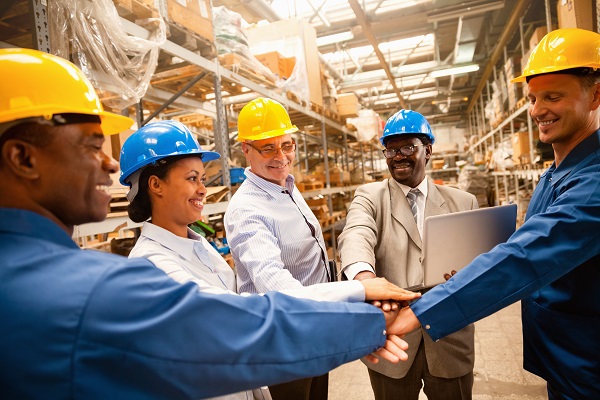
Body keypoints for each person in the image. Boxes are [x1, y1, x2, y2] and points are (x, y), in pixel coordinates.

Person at [0, 47, 413, 399]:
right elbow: (238, 325)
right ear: (23, 158)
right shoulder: (100, 284)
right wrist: (365, 312)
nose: (109, 162)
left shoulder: (200, 245)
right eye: (93, 145)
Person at [119, 120, 422, 400]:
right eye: (192, 179)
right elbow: (244, 313)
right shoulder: (154, 265)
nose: (203, 189)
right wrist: (357, 302)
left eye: (202, 178)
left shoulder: (200, 246)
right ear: (155, 185)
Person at [391, 28, 600, 400]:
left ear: (596, 94)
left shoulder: (594, 184)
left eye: (553, 97)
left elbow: (526, 258)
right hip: (564, 359)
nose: (537, 110)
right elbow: (527, 243)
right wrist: (473, 263)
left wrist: (420, 312)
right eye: (533, 98)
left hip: (587, 363)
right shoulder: (559, 170)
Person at [337, 109, 477, 400]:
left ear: (427, 150)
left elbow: (479, 264)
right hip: (393, 340)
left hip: (449, 337)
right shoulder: (370, 197)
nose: (398, 155)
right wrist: (365, 279)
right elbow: (355, 235)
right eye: (391, 149)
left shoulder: (464, 202)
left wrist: (469, 274)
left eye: (408, 147)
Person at [224, 97, 337, 400]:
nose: (281, 156)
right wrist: (342, 303)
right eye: (268, 148)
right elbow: (270, 277)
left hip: (313, 326)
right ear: (246, 149)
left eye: (287, 145)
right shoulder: (247, 208)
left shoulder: (285, 186)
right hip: (284, 339)